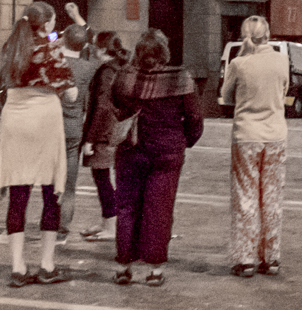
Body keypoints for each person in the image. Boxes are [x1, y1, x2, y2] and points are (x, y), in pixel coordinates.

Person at [0, 2, 76, 287]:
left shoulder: (11, 47)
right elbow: (70, 94)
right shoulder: (51, 50)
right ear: (45, 24)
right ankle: (47, 266)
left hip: (15, 119)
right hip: (45, 120)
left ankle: (18, 268)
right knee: (50, 192)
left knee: (19, 193)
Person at [110, 29, 203, 288]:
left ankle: (123, 266)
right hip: (168, 153)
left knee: (127, 207)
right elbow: (194, 117)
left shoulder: (125, 77)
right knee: (159, 210)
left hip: (131, 150)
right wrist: (185, 141)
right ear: (165, 52)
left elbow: (114, 104)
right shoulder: (180, 78)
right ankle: (154, 270)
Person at [220, 16, 289, 278]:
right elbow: (283, 92)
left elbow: (225, 97)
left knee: (245, 196)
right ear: (268, 34)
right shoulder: (282, 60)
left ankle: (245, 259)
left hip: (246, 135)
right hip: (275, 136)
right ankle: (271, 258)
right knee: (271, 197)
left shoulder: (238, 64)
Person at [80, 31, 128, 241]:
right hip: (117, 131)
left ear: (101, 49)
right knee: (107, 179)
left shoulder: (107, 72)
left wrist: (90, 138)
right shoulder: (122, 67)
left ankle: (110, 224)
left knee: (101, 178)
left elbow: (101, 107)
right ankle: (108, 221)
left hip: (105, 133)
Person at [56, 24, 96, 240]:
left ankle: (49, 224)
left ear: (63, 40)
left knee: (49, 181)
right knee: (69, 183)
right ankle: (63, 228)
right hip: (74, 127)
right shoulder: (90, 67)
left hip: (52, 125)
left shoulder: (54, 63)